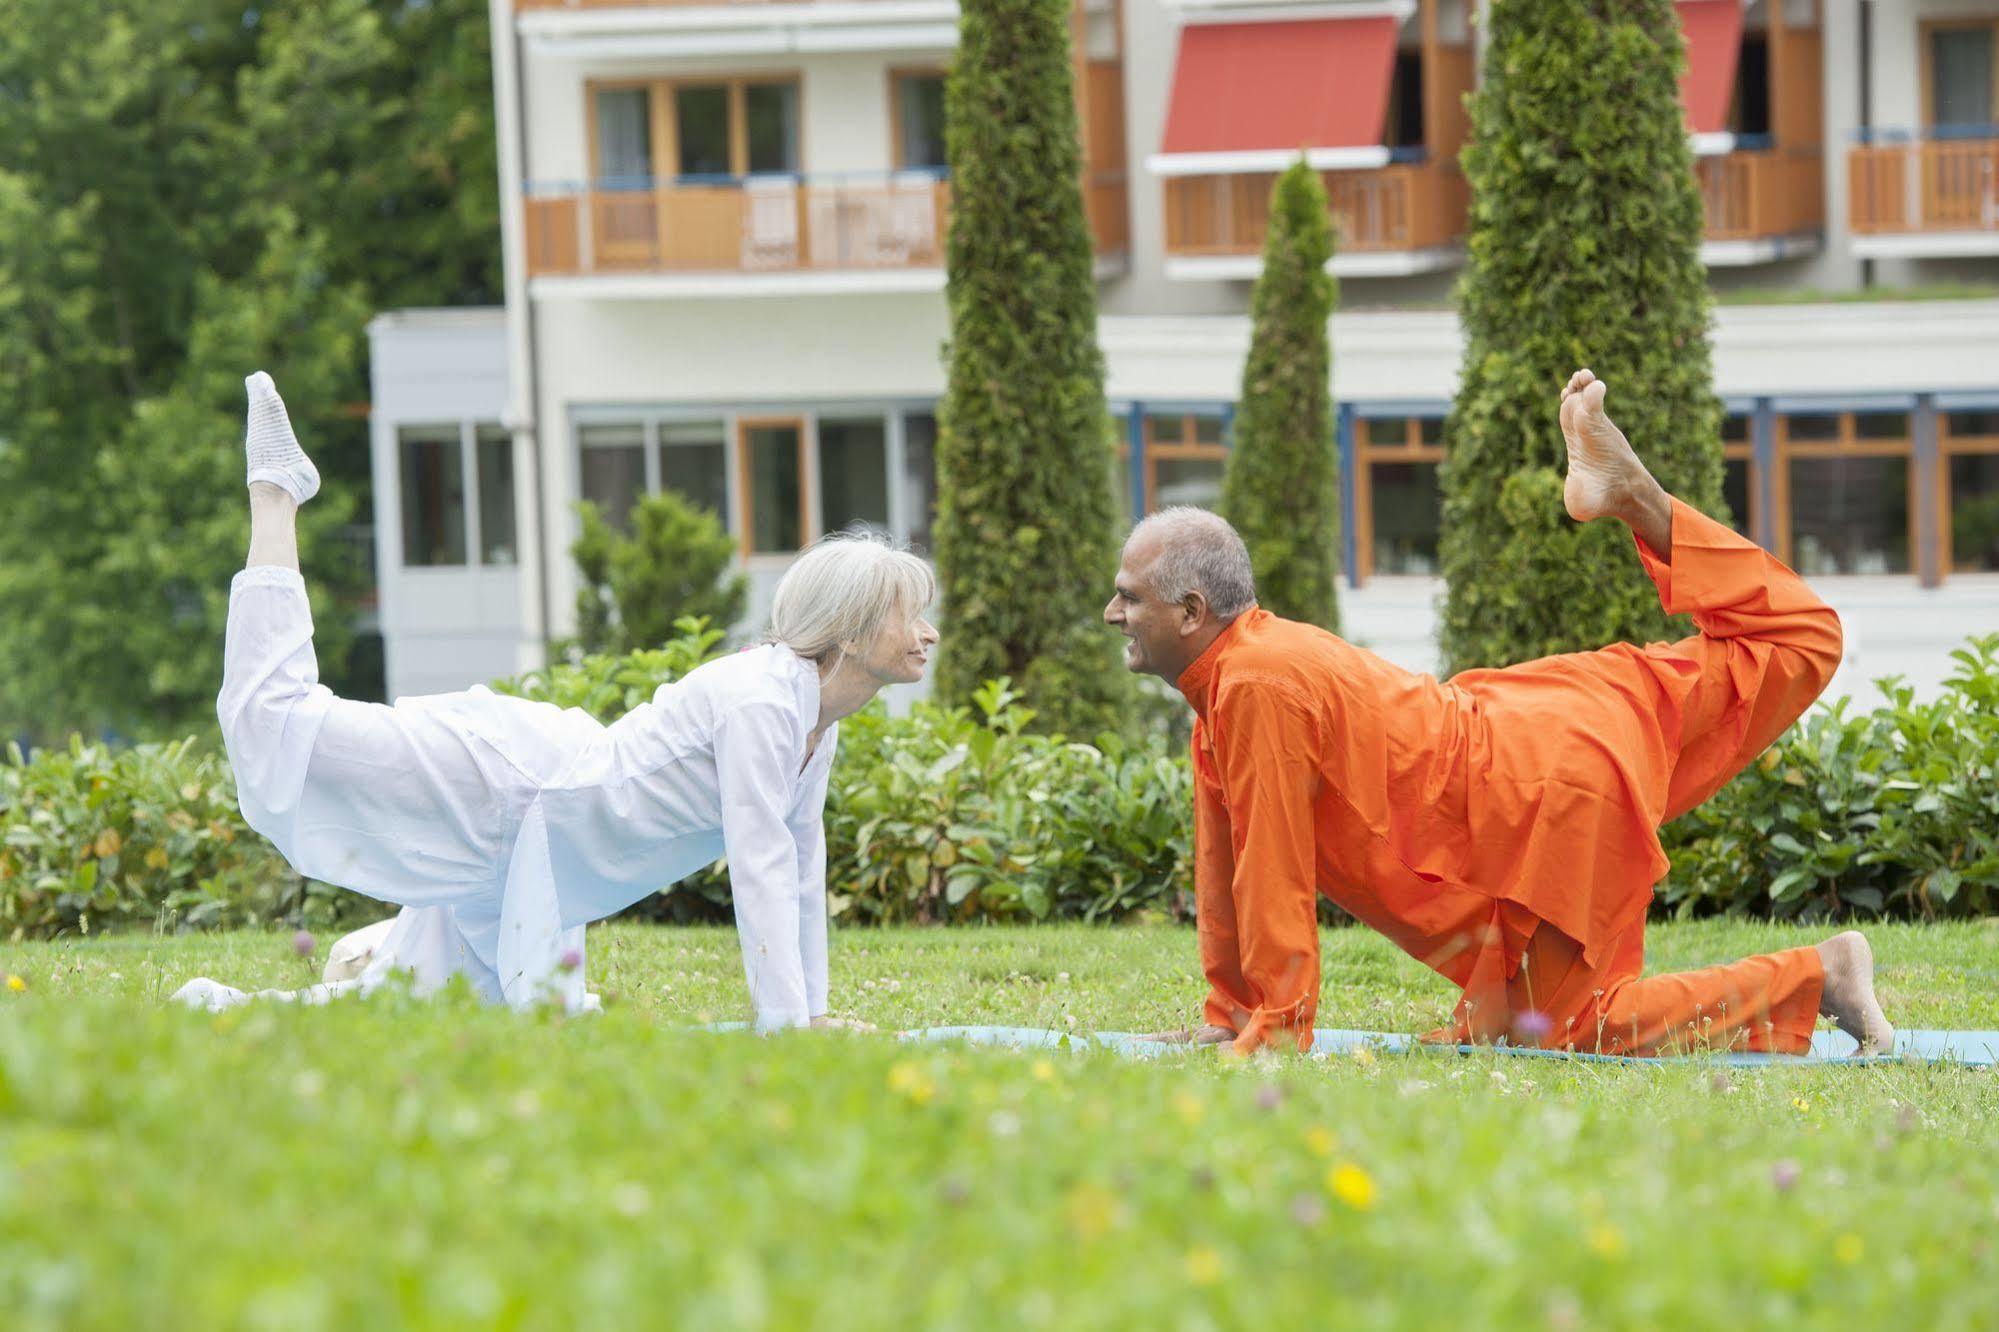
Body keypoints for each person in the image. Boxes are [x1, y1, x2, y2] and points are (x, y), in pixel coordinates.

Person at [1113, 369, 1893, 1058]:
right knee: (1795, 640)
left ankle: (1819, 973)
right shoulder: (1230, 682)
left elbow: (1272, 873)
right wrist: (1233, 1015)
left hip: (1552, 782)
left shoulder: (1254, 684)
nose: (1112, 613)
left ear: (1190, 611)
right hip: (1549, 724)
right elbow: (1229, 864)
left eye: (1129, 596)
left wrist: (1277, 1027)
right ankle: (1635, 503)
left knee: (1572, 1028)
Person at [174, 373, 937, 1022]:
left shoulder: (816, 720)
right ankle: (276, 494)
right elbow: (760, 867)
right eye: (910, 613)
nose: (927, 633)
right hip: (504, 787)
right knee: (276, 727)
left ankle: (254, 996)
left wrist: (815, 1013)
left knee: (411, 1010)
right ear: (853, 626)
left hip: (533, 866)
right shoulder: (763, 701)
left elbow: (802, 870)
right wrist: (788, 1029)